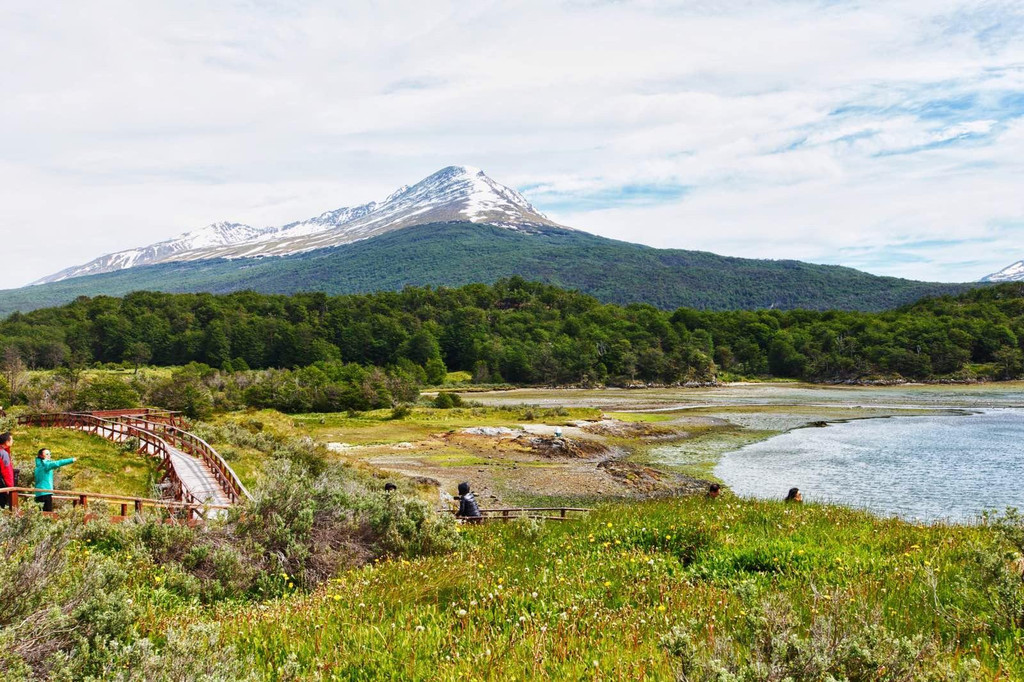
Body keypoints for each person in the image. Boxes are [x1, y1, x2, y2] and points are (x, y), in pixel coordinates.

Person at [34, 448, 76, 512]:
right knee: (47, 515)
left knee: (40, 515)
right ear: (41, 456)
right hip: (46, 493)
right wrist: (71, 460)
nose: (49, 455)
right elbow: (58, 463)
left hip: (38, 493)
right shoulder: (46, 465)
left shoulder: (38, 466)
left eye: (50, 454)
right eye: (47, 454)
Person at [0, 432, 14, 510]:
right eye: (12, 439)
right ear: (7, 442)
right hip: (2, 484)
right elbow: (7, 471)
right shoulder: (3, 453)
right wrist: (10, 486)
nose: (13, 441)